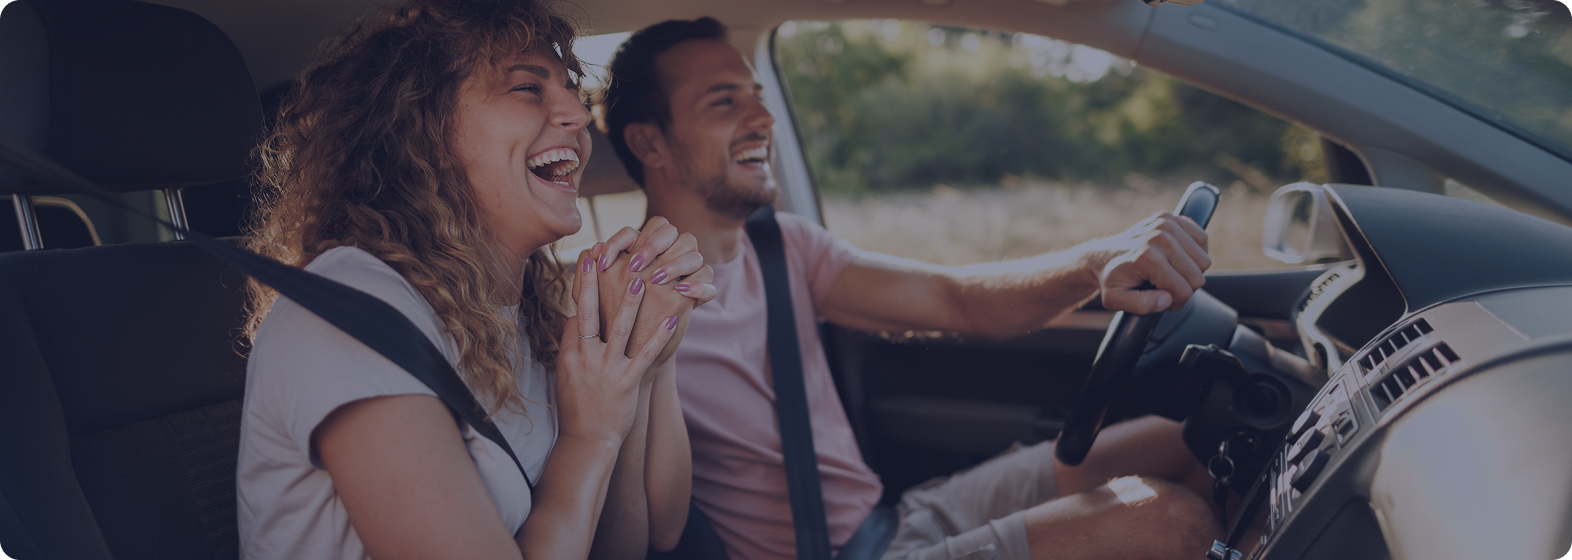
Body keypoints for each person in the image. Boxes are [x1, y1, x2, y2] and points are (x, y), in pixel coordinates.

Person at [590, 17, 1221, 560]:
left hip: (897, 520)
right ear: (650, 142)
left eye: (758, 95)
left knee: (1192, 439)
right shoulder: (631, 301)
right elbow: (646, 520)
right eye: (724, 102)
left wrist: (1096, 262)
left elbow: (955, 300)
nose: (763, 118)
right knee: (1169, 521)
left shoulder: (785, 247)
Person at [234, 2, 715, 559]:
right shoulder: (351, 313)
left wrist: (643, 346)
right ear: (423, 130)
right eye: (527, 88)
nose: (580, 115)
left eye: (571, 90)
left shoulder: (527, 316)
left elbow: (630, 546)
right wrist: (590, 436)